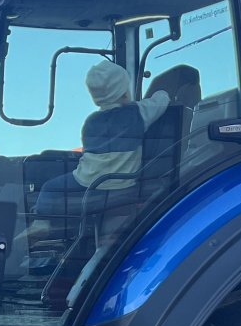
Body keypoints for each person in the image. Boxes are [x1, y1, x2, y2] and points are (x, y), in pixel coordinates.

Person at [33, 60, 171, 235]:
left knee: (49, 187)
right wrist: (163, 91)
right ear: (124, 92)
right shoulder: (138, 112)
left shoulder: (91, 122)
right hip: (125, 181)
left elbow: (89, 153)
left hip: (89, 181)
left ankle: (40, 223)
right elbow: (161, 100)